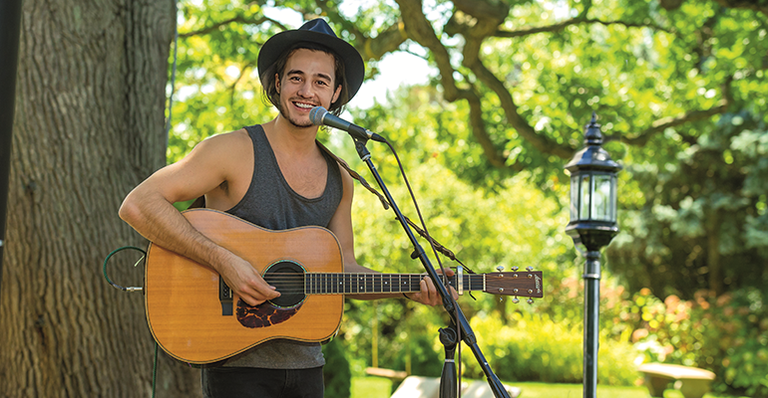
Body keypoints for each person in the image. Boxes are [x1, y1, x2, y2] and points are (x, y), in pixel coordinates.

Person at [119, 18, 456, 398]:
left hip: (307, 365)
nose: (306, 91)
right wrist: (223, 261)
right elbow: (139, 204)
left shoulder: (341, 177)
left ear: (336, 94)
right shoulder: (233, 150)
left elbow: (343, 268)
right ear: (277, 83)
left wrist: (407, 286)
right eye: (296, 78)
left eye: (320, 82)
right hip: (234, 363)